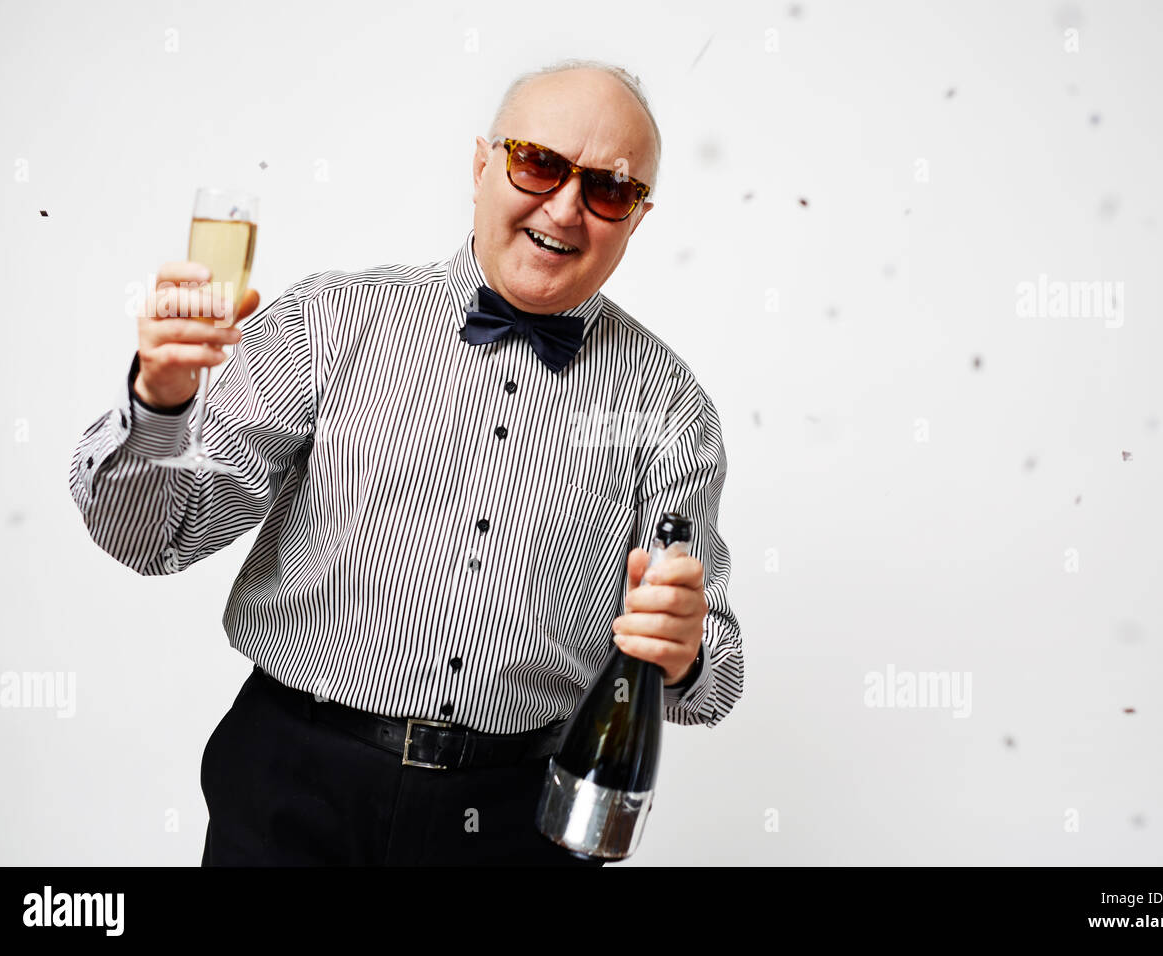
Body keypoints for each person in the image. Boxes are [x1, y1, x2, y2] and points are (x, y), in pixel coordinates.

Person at [67, 58, 744, 866]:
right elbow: (157, 538)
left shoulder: (672, 407)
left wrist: (684, 650)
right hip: (292, 785)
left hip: (517, 822)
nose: (565, 208)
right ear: (481, 167)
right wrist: (161, 402)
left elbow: (718, 677)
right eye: (538, 162)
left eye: (608, 189)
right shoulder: (332, 321)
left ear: (636, 218)